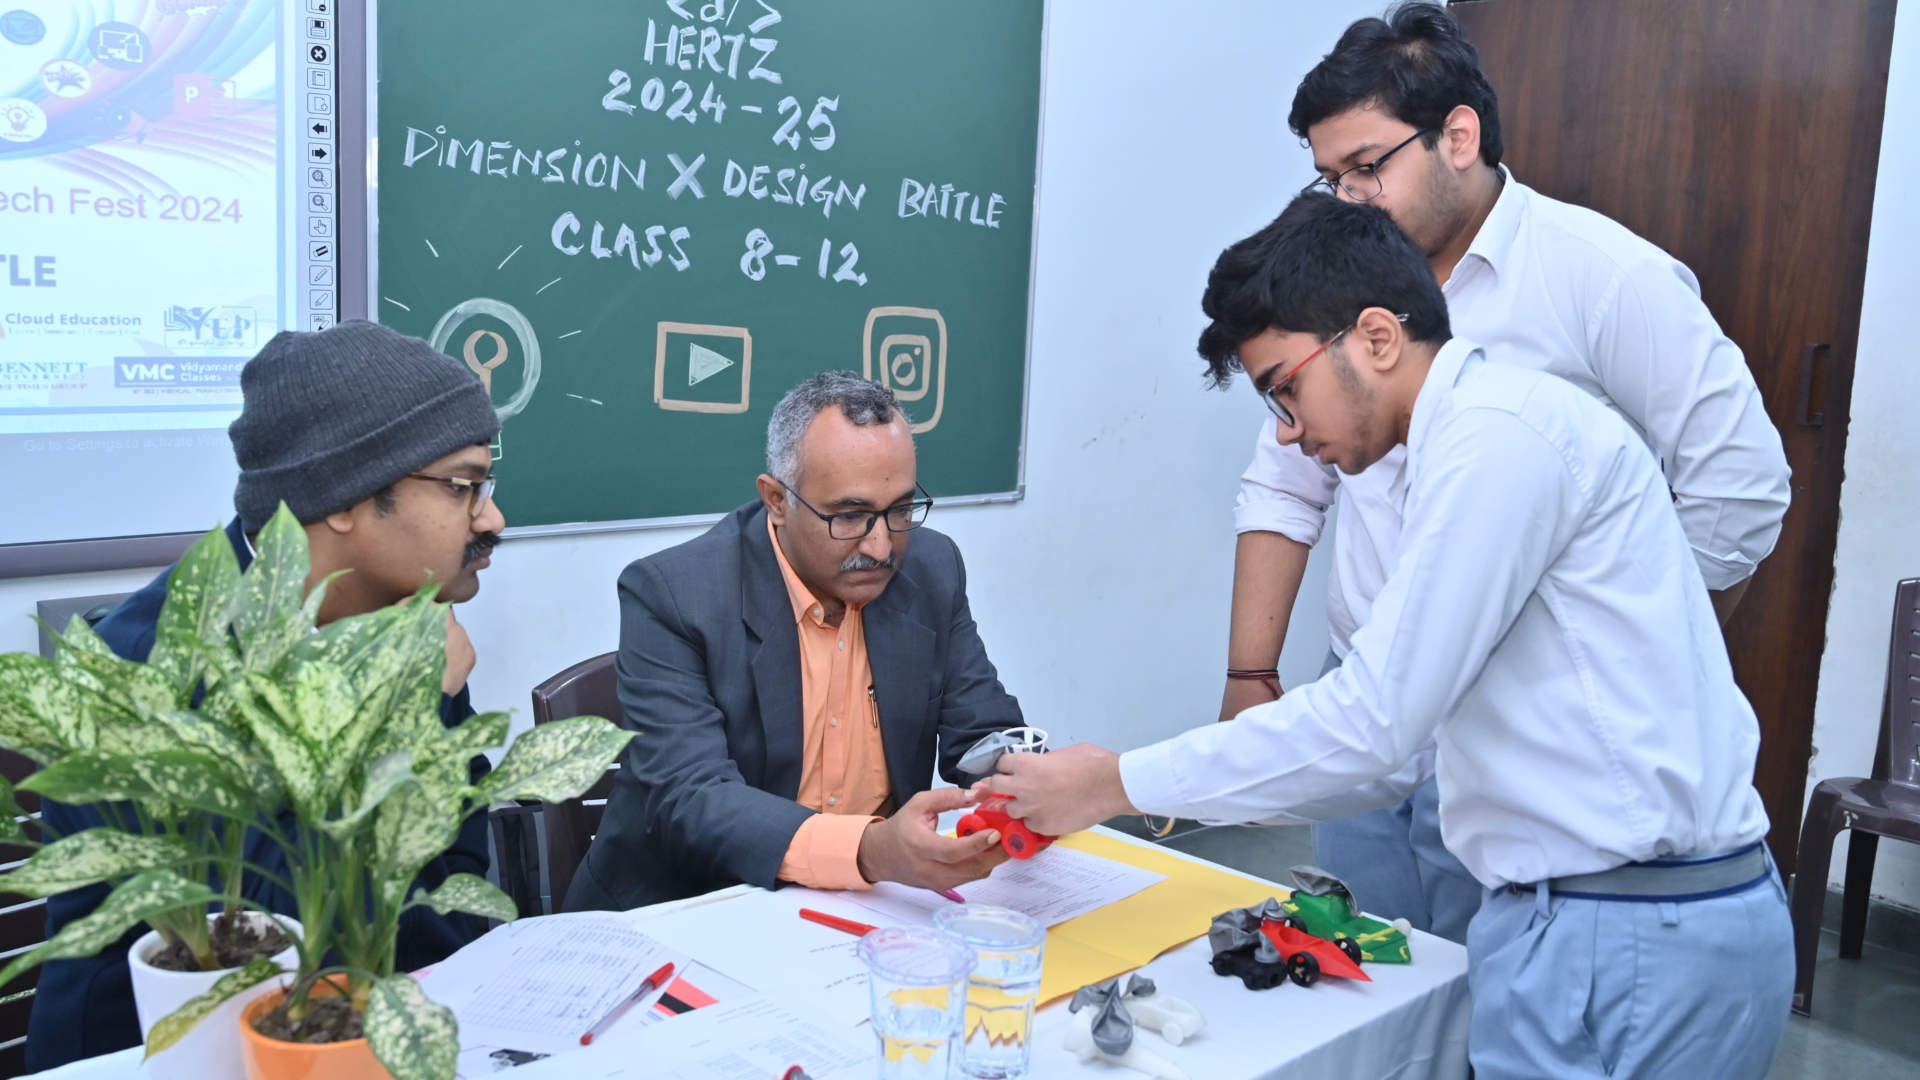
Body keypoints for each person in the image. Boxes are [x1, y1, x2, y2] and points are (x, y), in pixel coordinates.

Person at [987, 193, 1794, 1079]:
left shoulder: (1500, 439)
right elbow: (1398, 754)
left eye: (1285, 389)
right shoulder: (1469, 442)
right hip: (1596, 922)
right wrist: (1151, 789)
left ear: (1376, 337)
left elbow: (1374, 722)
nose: (1289, 432)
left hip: (1627, 932)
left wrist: (1113, 783)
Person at [1215, 2, 1790, 942]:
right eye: (1329, 178)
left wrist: (1623, 638)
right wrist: (1251, 672)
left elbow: (1741, 484)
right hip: (1363, 677)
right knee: (1364, 961)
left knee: (1492, 973)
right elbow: (1284, 484)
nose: (1347, 198)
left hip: (1518, 707)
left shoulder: (1600, 274)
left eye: (1367, 167)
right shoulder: (1339, 281)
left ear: (1458, 136)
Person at [27, 321, 505, 1070]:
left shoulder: (405, 622)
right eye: (462, 486)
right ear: (343, 497)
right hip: (165, 1055)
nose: (491, 518)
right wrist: (412, 717)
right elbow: (287, 939)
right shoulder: (150, 668)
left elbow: (454, 871)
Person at [567, 371, 1023, 911]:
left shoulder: (932, 567)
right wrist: (870, 850)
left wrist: (1028, 778)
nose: (881, 547)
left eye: (901, 510)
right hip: (692, 907)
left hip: (865, 905)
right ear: (777, 500)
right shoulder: (673, 595)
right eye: (850, 516)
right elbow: (692, 798)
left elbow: (982, 732)